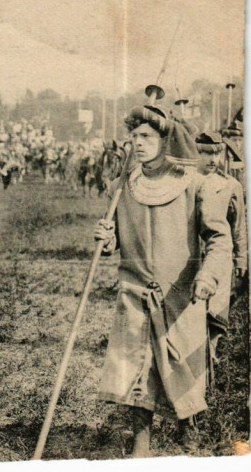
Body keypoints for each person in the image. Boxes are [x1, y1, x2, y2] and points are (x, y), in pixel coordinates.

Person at [93, 107, 232, 457]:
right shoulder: (122, 187)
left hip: (181, 295)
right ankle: (141, 441)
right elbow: (116, 240)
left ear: (164, 140)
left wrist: (207, 276)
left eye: (146, 137)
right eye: (134, 137)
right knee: (138, 366)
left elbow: (219, 239)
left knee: (181, 366)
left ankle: (190, 432)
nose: (137, 143)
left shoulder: (193, 184)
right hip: (135, 292)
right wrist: (107, 240)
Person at [194, 131, 246, 377]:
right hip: (192, 258)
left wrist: (241, 259)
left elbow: (238, 227)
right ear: (196, 153)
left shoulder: (230, 185)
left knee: (215, 315)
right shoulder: (188, 183)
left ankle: (210, 365)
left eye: (216, 153)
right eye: (205, 153)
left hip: (220, 259)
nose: (211, 159)